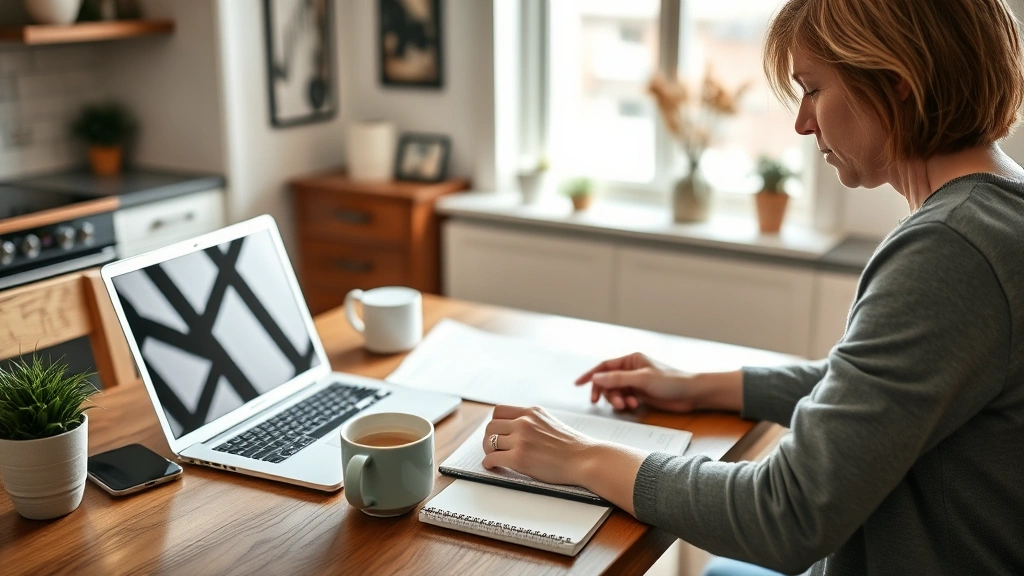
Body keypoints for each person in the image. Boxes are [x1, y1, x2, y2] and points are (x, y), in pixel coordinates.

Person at [480, 0, 1024, 573]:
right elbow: (881, 389)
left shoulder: (949, 248)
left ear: (896, 83)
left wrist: (582, 455)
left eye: (813, 89)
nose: (802, 121)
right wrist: (698, 386)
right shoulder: (998, 211)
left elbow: (786, 513)